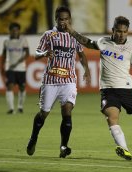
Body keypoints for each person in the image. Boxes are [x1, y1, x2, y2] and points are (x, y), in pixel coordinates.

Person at [65, 16, 132, 160]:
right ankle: (124, 149)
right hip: (108, 90)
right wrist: (71, 31)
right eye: (118, 31)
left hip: (127, 90)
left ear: (127, 32)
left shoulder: (131, 49)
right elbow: (86, 42)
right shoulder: (103, 42)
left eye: (124, 32)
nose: (121, 34)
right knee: (111, 117)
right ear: (113, 30)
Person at [26, 6, 91, 158]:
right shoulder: (49, 35)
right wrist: (44, 53)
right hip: (51, 80)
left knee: (67, 111)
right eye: (60, 19)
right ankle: (33, 137)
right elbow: (36, 54)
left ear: (70, 20)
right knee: (44, 113)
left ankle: (63, 146)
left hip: (68, 80)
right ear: (56, 20)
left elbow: (81, 55)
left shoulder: (74, 36)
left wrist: (86, 70)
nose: (63, 22)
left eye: (66, 19)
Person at [1, 22, 29, 114]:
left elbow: (27, 54)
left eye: (16, 30)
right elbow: (4, 55)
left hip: (21, 68)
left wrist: (18, 62)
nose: (15, 32)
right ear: (10, 31)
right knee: (10, 86)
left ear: (19, 31)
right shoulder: (7, 42)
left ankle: (20, 107)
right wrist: (2, 66)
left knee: (22, 87)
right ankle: (11, 109)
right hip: (10, 68)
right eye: (13, 30)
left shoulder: (23, 41)